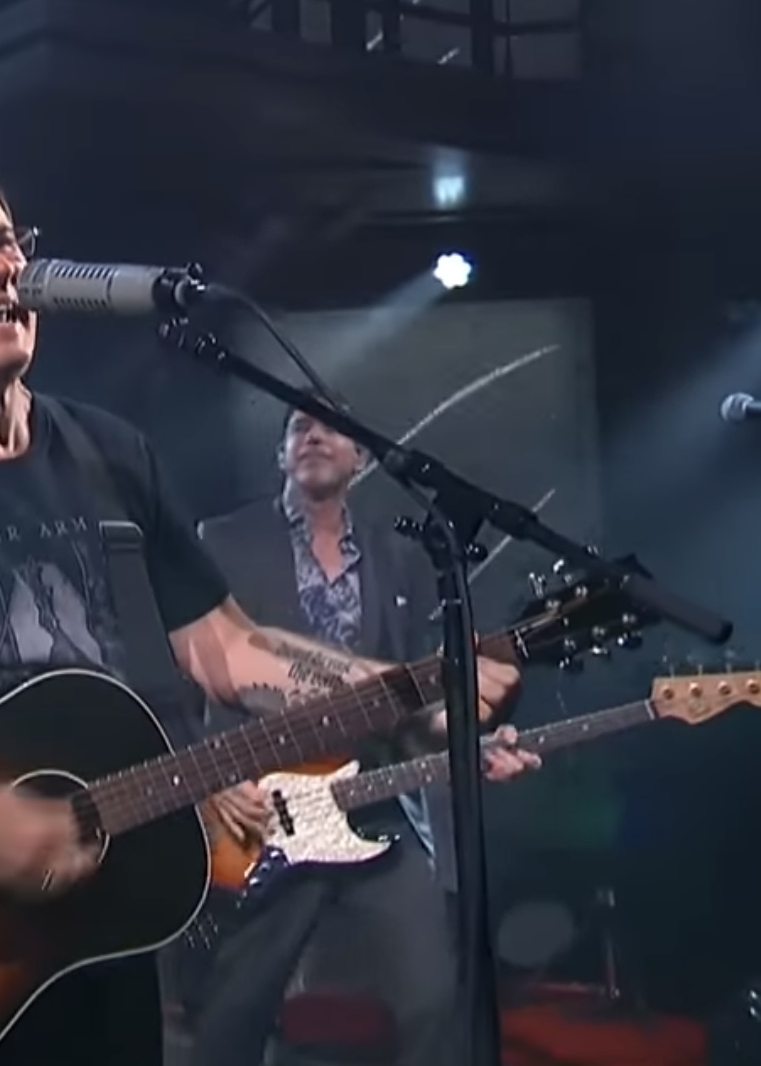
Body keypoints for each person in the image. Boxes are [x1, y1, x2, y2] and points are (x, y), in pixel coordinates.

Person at [0, 156, 521, 1065]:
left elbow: (229, 649)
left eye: (6, 239)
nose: (1, 266)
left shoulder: (108, 456)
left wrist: (411, 694)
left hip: (94, 939)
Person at [181, 407, 539, 1066]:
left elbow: (412, 710)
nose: (314, 436)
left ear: (363, 459)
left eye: (332, 428)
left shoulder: (400, 556)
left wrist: (468, 739)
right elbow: (194, 671)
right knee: (231, 1015)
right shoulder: (223, 539)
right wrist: (208, 780)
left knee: (436, 996)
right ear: (281, 453)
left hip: (371, 808)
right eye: (298, 427)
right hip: (259, 814)